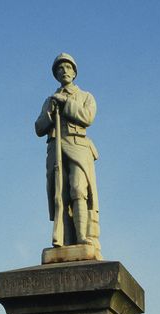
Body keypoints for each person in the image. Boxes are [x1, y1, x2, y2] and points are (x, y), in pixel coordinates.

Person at [35, 53, 100, 252]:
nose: (64, 71)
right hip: (56, 148)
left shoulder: (85, 96)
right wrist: (50, 111)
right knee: (59, 195)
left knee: (78, 189)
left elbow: (87, 117)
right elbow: (39, 128)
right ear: (56, 74)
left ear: (74, 72)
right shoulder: (49, 100)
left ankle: (83, 238)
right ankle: (65, 239)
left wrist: (66, 103)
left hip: (78, 146)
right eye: (60, 68)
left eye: (68, 67)